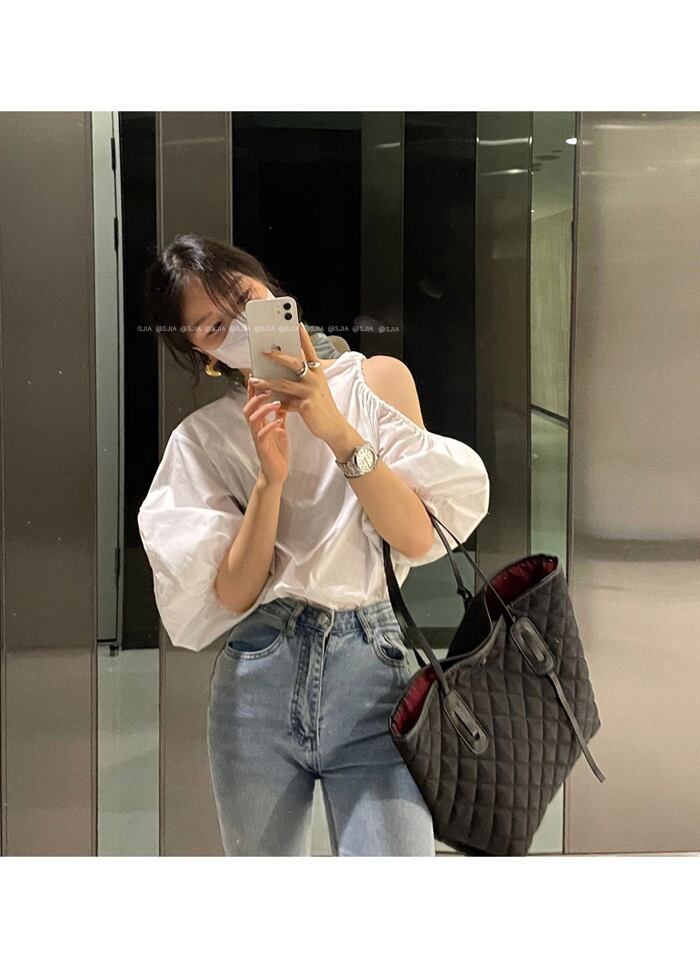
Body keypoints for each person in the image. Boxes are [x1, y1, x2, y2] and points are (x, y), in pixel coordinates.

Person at [137, 233, 490, 856]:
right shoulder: (204, 439)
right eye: (214, 326)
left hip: (375, 670)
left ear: (271, 288)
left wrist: (333, 428)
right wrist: (269, 480)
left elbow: (416, 537)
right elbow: (234, 593)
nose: (239, 325)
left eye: (243, 299)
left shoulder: (376, 382)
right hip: (258, 679)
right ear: (200, 351)